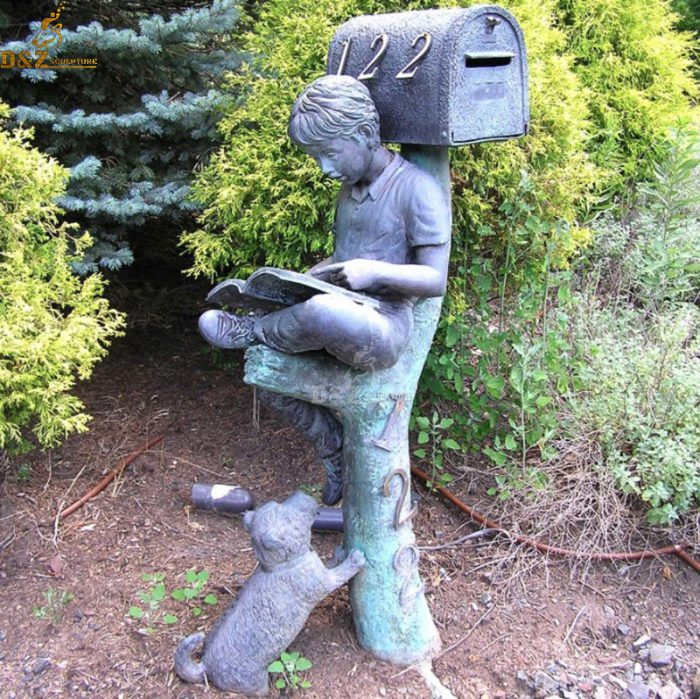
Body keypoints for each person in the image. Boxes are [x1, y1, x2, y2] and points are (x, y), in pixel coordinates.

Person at [199, 74, 451, 504]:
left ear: (365, 135)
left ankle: (252, 329)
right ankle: (331, 448)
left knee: (320, 314)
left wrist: (374, 274)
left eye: (330, 154)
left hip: (383, 326)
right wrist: (304, 279)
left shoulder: (417, 190)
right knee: (265, 371)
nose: (325, 168)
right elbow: (343, 261)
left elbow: (434, 279)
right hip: (342, 309)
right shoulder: (349, 191)